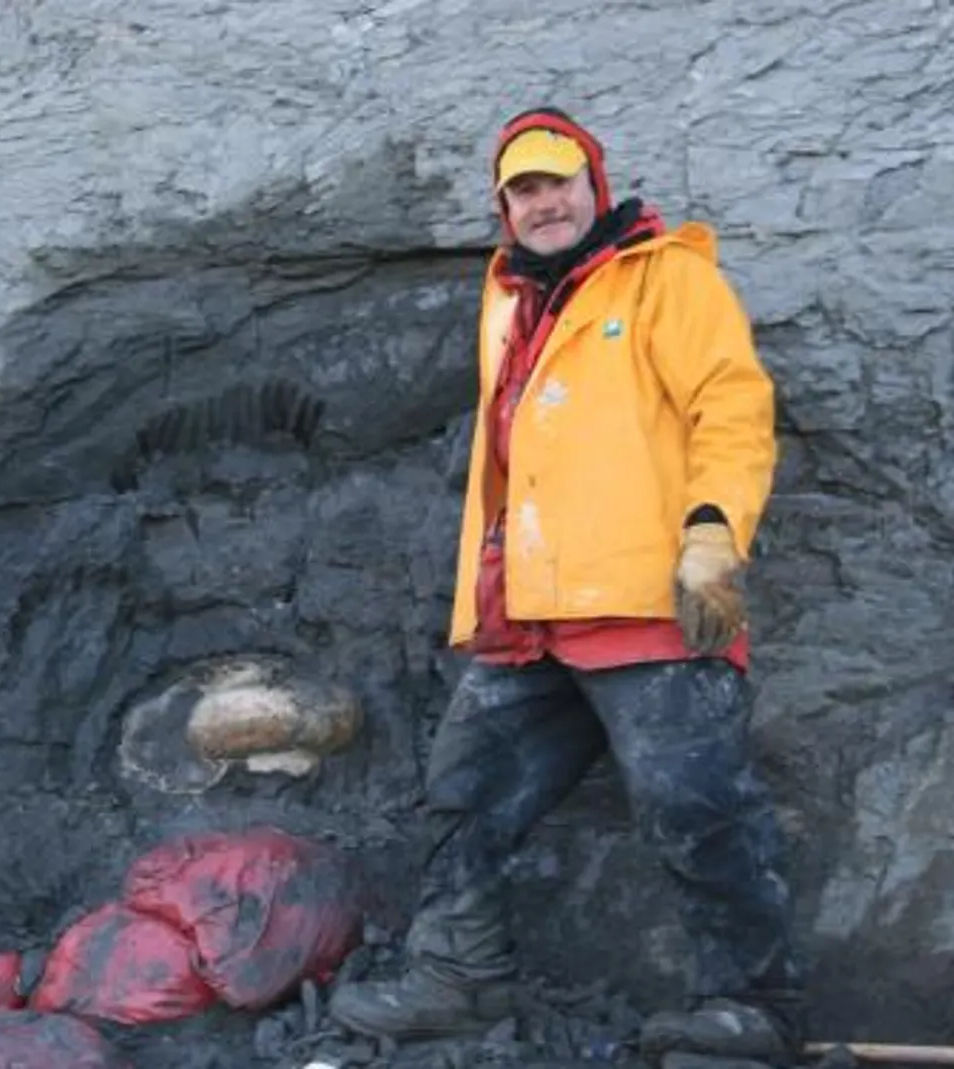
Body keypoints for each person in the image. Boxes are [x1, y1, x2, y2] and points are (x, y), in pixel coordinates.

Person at [327, 107, 805, 1064]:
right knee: (465, 792)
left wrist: (713, 529)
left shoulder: (668, 276)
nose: (543, 203)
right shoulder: (508, 296)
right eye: (523, 191)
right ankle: (458, 975)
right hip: (531, 612)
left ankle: (750, 1010)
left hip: (650, 603)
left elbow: (733, 405)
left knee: (697, 806)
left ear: (594, 182)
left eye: (557, 183)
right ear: (503, 209)